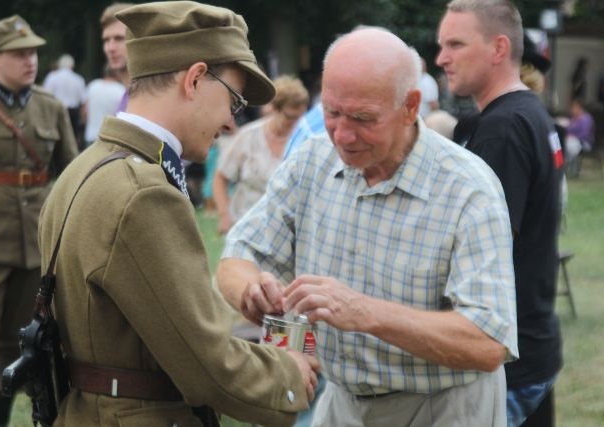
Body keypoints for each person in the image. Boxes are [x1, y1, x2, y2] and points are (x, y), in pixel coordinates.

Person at [217, 26, 518, 427]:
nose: (342, 135)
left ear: (411, 106)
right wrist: (251, 292)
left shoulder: (468, 189)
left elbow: (487, 342)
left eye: (363, 118)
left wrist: (364, 312)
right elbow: (238, 255)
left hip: (443, 406)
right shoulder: (313, 160)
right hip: (343, 402)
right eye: (332, 112)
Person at [38, 2, 319, 426]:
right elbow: (207, 366)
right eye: (233, 100)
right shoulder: (145, 194)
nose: (229, 122)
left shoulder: (85, 167)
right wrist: (289, 374)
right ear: (194, 80)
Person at [436, 1, 564, 426]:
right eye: (441, 45)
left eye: (456, 44)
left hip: (508, 355)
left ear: (498, 48)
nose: (442, 58)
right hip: (532, 342)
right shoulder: (528, 114)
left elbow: (483, 250)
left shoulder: (502, 129)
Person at [0, 15, 78, 425]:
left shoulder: (51, 107)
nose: (30, 61)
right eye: (19, 54)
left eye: (33, 52)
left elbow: (70, 172)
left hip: (36, 241)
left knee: (22, 340)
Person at [213, 75, 308, 234]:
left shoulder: (305, 141)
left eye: (301, 117)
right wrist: (224, 215)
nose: (297, 123)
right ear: (275, 109)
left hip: (287, 232)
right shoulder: (248, 136)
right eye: (290, 117)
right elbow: (220, 177)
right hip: (246, 228)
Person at [43, 53, 87, 148]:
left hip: (55, 111)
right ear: (72, 65)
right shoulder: (78, 79)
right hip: (73, 113)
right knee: (72, 141)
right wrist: (83, 118)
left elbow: (45, 97)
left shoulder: (52, 77)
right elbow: (83, 101)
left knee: (56, 139)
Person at [99, 3, 133, 112]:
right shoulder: (126, 95)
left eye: (119, 38)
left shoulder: (149, 96)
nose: (110, 48)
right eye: (106, 40)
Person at [82, 64, 125, 147]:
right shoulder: (121, 90)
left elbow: (84, 111)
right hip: (109, 138)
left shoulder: (93, 85)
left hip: (91, 135)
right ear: (118, 73)